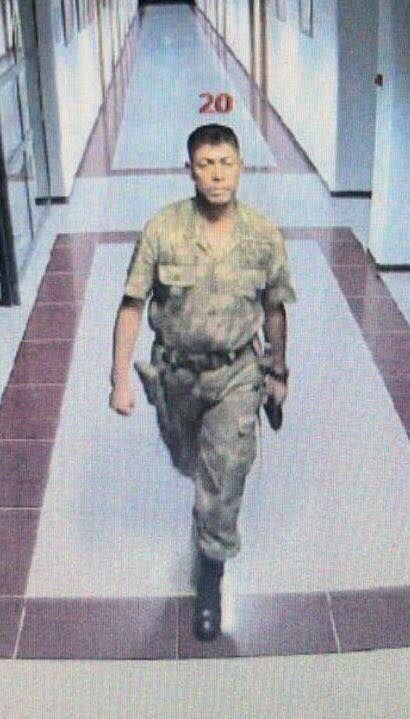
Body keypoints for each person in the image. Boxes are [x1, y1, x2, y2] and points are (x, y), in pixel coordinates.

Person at [109, 124, 296, 641]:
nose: (217, 175)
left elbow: (274, 308)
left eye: (226, 164)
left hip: (236, 374)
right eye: (206, 165)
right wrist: (119, 379)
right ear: (189, 170)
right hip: (175, 375)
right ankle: (207, 506)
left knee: (225, 473)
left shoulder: (262, 235)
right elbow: (131, 305)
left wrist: (278, 371)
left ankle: (210, 573)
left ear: (241, 167)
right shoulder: (163, 230)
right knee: (187, 459)